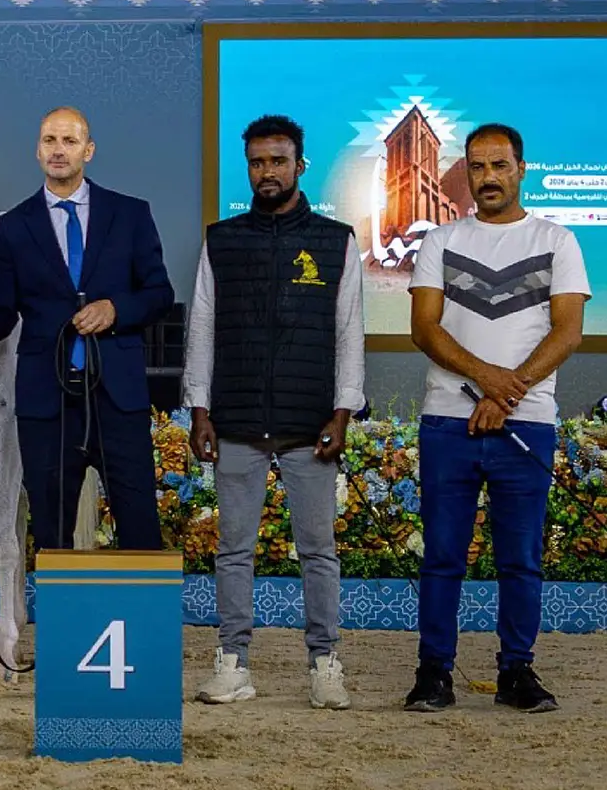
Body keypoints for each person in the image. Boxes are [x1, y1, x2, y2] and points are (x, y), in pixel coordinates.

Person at [404, 123, 590, 715]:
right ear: (467, 171)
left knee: (520, 558)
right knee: (442, 556)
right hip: (447, 422)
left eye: (500, 165)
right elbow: (424, 328)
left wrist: (504, 394)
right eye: (478, 166)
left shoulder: (557, 240)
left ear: (521, 168)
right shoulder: (439, 240)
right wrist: (489, 378)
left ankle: (517, 673)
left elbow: (568, 330)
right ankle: (433, 673)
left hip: (527, 423)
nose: (488, 177)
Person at [184, 115, 361, 710]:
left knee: (318, 550)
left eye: (278, 161)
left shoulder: (337, 241)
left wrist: (343, 410)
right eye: (258, 162)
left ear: (299, 165)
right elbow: (202, 326)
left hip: (311, 425)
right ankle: (233, 662)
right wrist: (199, 408)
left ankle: (324, 665)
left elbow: (348, 333)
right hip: (234, 421)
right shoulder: (222, 239)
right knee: (234, 550)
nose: (267, 172)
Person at [0, 106, 174, 551]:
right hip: (47, 405)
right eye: (50, 141)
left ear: (88, 150)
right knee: (52, 536)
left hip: (118, 399)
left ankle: (139, 621)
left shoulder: (130, 214)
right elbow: (0, 313)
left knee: (140, 530)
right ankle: (63, 622)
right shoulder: (13, 227)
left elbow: (159, 293)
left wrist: (115, 309)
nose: (59, 150)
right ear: (37, 151)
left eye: (70, 141)